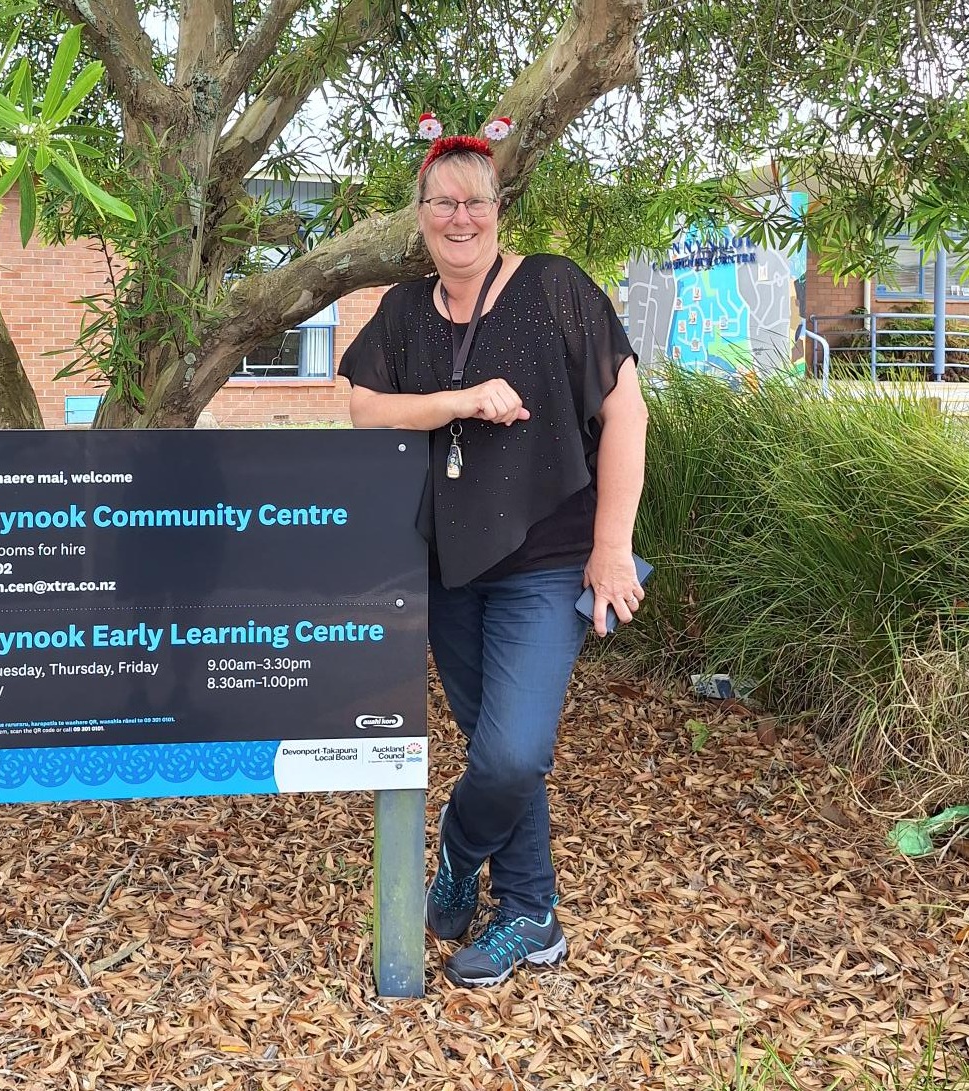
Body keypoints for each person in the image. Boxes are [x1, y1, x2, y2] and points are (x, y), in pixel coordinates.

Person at [337, 119, 649, 988]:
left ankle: (455, 857)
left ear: (499, 209)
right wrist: (459, 398)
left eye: (475, 201)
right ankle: (530, 913)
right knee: (494, 746)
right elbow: (367, 410)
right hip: (443, 569)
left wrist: (612, 546)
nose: (460, 217)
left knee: (512, 754)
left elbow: (626, 413)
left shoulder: (554, 289)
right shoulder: (404, 311)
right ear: (422, 214)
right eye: (443, 202)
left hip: (548, 561)